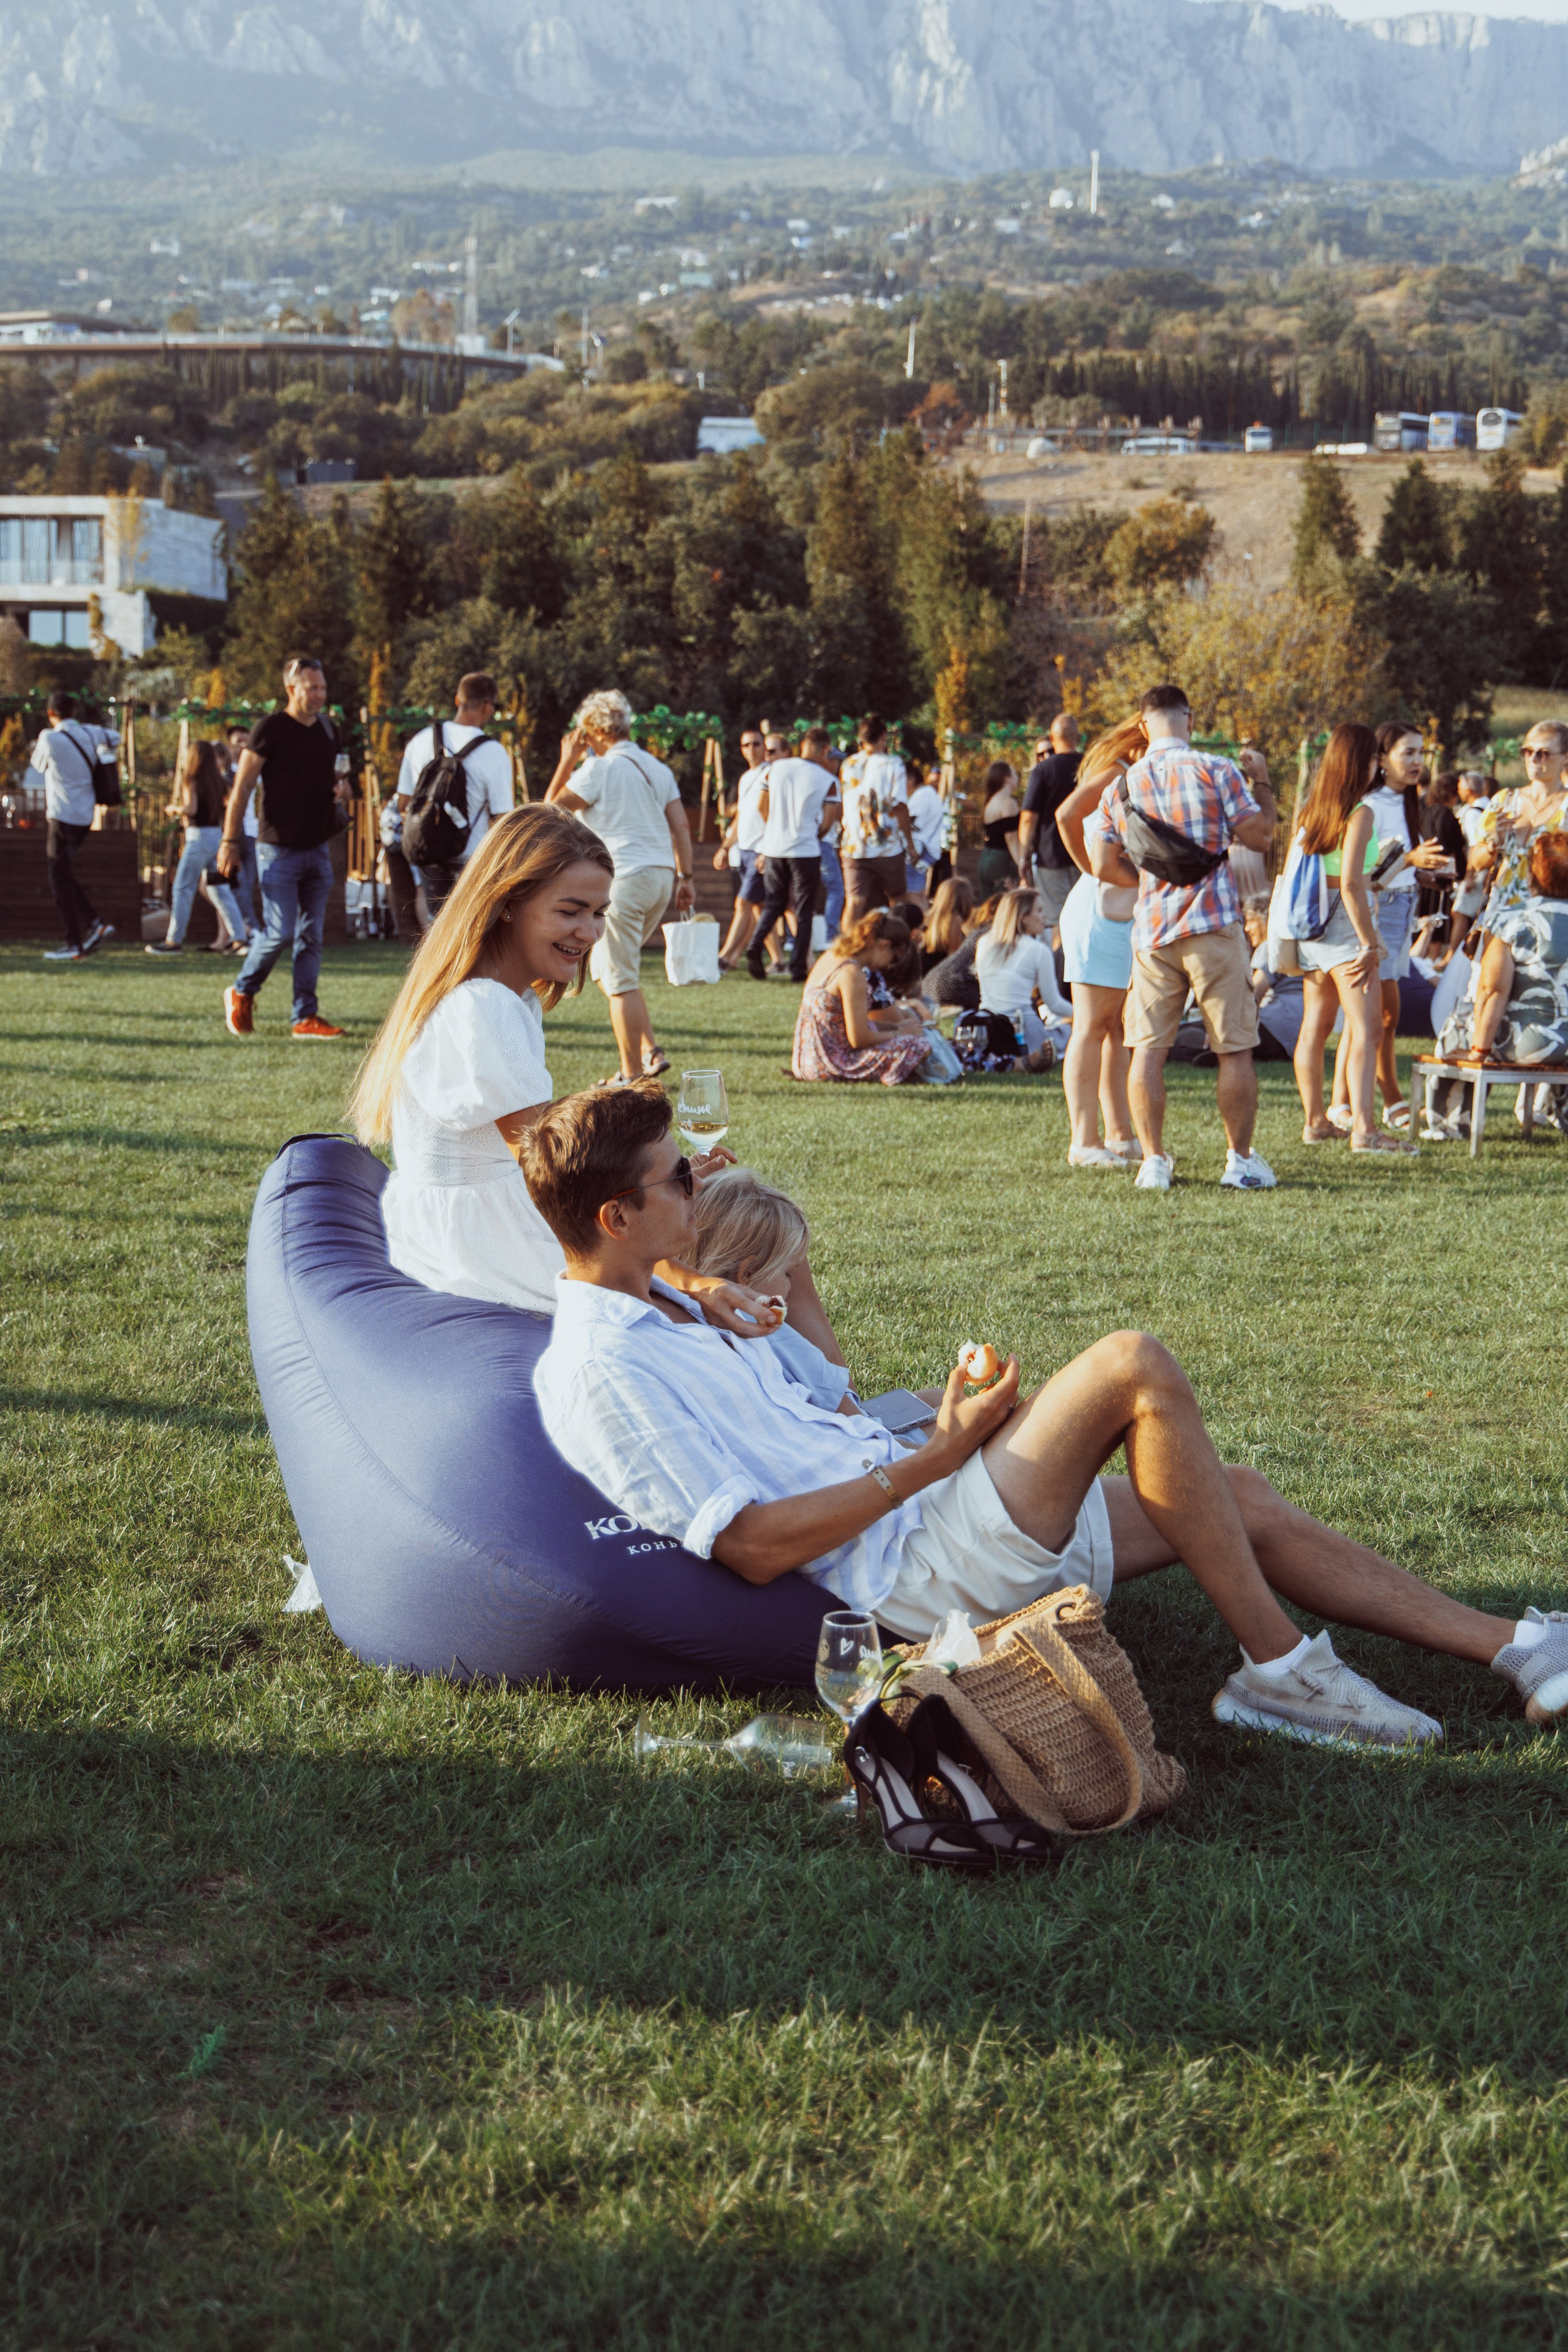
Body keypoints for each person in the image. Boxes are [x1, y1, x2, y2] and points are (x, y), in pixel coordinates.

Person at [523, 1082, 1568, 1746]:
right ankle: (1282, 1673)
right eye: (682, 1178)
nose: (702, 1188)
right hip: (917, 1571)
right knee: (1129, 1365)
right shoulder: (602, 1371)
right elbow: (748, 1547)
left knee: (1237, 1494)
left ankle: (1517, 1646)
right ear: (618, 1216)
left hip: (923, 1512)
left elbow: (721, 1317)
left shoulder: (652, 1294)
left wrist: (710, 1289)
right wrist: (938, 1455)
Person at [348, 802, 780, 1331]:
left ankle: (842, 1407)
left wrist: (670, 1178)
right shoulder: (486, 1006)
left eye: (599, 913)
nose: (591, 932)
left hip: (478, 1226)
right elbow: (556, 1180)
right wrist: (689, 1281)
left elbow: (556, 1151)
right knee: (763, 1232)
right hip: (490, 1245)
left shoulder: (506, 997)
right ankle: (843, 1409)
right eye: (570, 911)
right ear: (508, 901)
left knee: (749, 1211)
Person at [1086, 683, 1278, 1193]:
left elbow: (1103, 864)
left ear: (1144, 725)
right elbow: (1260, 837)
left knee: (1146, 1049)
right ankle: (1239, 1160)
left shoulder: (1121, 788)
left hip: (1152, 931)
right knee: (1234, 1048)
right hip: (1214, 923)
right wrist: (1263, 783)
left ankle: (1153, 1161)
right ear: (1189, 721)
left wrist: (1150, 882)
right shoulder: (1218, 771)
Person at [545, 688, 695, 1085]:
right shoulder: (657, 768)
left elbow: (548, 812)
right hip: (660, 879)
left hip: (622, 881)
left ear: (593, 732)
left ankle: (630, 1075)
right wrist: (686, 877)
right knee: (621, 972)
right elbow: (681, 826)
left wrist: (566, 761)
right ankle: (650, 1051)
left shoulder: (598, 770)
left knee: (617, 978)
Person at [1286, 725, 1415, 1156]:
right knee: (1367, 1030)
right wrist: (1368, 941)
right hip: (1345, 925)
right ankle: (1364, 1129)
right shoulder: (1360, 813)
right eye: (1375, 756)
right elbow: (1353, 886)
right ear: (1361, 761)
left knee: (1316, 1027)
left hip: (1312, 925)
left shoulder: (1313, 809)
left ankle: (1315, 1122)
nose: (1379, 763)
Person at [214, 655, 352, 1040]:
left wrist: (343, 790)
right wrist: (228, 842)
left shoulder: (328, 730)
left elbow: (342, 782)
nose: (320, 695)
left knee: (312, 937)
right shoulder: (269, 730)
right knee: (279, 932)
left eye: (323, 688)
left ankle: (304, 1017)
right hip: (278, 849)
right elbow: (241, 789)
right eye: (313, 688)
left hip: (318, 847)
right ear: (291, 689)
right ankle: (242, 990)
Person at [1054, 716, 1145, 1170]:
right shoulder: (1117, 770)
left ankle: (1120, 1135)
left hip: (1119, 912)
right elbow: (1066, 815)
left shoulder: (1135, 772)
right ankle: (1084, 1141)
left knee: (1119, 1029)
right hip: (1099, 911)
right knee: (1091, 1025)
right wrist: (1092, 870)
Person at [688, 1166, 857, 1405]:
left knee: (931, 1397)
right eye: (788, 1274)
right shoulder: (777, 1339)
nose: (790, 1286)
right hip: (858, 1435)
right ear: (746, 1273)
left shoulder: (690, 1318)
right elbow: (858, 1422)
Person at [1438, 831, 1568, 1068]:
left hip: (1530, 1042)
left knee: (1455, 1030)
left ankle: (1446, 1106)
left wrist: (1478, 1051)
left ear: (1533, 875)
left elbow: (1492, 989)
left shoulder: (1511, 919)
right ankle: (1553, 1105)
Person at [393, 673, 515, 921]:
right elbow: (503, 817)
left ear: (457, 699)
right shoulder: (493, 752)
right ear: (487, 706)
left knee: (436, 932)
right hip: (472, 860)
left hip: (428, 854)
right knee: (470, 934)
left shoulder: (420, 741)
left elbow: (403, 803)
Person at [792, 908, 932, 1085]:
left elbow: (847, 1024)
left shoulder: (832, 955)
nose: (889, 966)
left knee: (911, 1039)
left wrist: (895, 1027)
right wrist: (898, 1032)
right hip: (831, 1064)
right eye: (893, 959)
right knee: (919, 1047)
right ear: (884, 946)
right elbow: (859, 1038)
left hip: (806, 1061)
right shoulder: (852, 972)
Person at [747, 727, 840, 984]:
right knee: (803, 910)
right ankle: (799, 967)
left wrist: (775, 829)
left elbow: (760, 806)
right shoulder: (828, 779)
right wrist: (812, 835)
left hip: (775, 847)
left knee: (774, 903)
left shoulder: (775, 768)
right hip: (805, 850)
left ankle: (756, 944)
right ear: (825, 750)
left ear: (802, 745)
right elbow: (829, 821)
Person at [146, 739, 249, 957]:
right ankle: (240, 939)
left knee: (182, 888)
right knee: (220, 890)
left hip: (198, 838)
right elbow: (232, 802)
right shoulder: (219, 781)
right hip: (217, 837)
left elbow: (191, 808)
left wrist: (174, 809)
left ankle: (173, 941)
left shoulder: (191, 779)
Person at [34, 690, 113, 963]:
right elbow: (116, 737)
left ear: (50, 714)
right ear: (75, 712)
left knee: (59, 878)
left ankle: (75, 942)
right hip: (85, 816)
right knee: (63, 875)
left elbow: (38, 764)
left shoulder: (49, 737)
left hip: (62, 814)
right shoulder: (91, 733)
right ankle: (95, 924)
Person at [974, 886, 1071, 1065]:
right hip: (1023, 1028)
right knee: (1069, 1030)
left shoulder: (984, 942)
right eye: (1039, 911)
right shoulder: (1038, 950)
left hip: (987, 1027)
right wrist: (1084, 1016)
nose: (1044, 917)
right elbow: (1054, 1003)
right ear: (1024, 917)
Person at [838, 715, 914, 921]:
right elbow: (900, 806)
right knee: (898, 900)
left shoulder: (848, 764)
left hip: (854, 845)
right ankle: (898, 946)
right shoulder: (893, 764)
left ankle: (846, 951)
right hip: (886, 845)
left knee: (854, 903)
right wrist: (911, 844)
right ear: (883, 736)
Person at [1018, 714, 1082, 938]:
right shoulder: (1092, 767)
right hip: (1085, 854)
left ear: (1053, 739)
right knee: (1084, 916)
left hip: (1050, 856)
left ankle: (1061, 971)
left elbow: (1028, 818)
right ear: (1079, 737)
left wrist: (1023, 857)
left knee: (1058, 921)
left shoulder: (1043, 771)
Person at [714, 725, 771, 970]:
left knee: (744, 904)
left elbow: (775, 816)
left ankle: (725, 957)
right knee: (757, 907)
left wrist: (768, 850)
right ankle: (759, 958)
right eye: (746, 745)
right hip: (746, 850)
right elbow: (740, 819)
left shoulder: (771, 773)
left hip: (762, 851)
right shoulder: (746, 778)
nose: (751, 749)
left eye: (756, 743)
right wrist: (725, 847)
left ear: (764, 746)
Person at [977, 760, 1023, 895]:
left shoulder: (990, 802)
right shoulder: (1009, 803)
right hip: (1002, 862)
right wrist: (1021, 864)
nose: (1017, 777)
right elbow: (1011, 839)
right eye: (1014, 774)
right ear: (1007, 779)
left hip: (986, 858)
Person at [905, 759, 946, 899]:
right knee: (919, 891)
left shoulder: (922, 796)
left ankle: (920, 918)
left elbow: (913, 824)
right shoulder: (927, 794)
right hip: (926, 849)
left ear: (911, 779)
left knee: (913, 892)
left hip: (920, 850)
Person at [923, 876, 973, 970]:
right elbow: (954, 959)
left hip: (928, 975)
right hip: (943, 976)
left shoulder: (928, 918)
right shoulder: (954, 921)